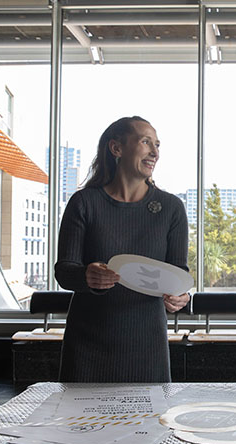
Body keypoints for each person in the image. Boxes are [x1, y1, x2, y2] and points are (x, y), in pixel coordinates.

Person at [55, 116, 190, 382]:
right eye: (145, 142)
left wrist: (180, 297)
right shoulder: (84, 202)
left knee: (148, 423)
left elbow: (178, 274)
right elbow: (64, 271)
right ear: (116, 148)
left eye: (157, 145)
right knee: (82, 422)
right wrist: (86, 276)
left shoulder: (172, 208)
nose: (155, 152)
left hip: (147, 344)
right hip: (88, 344)